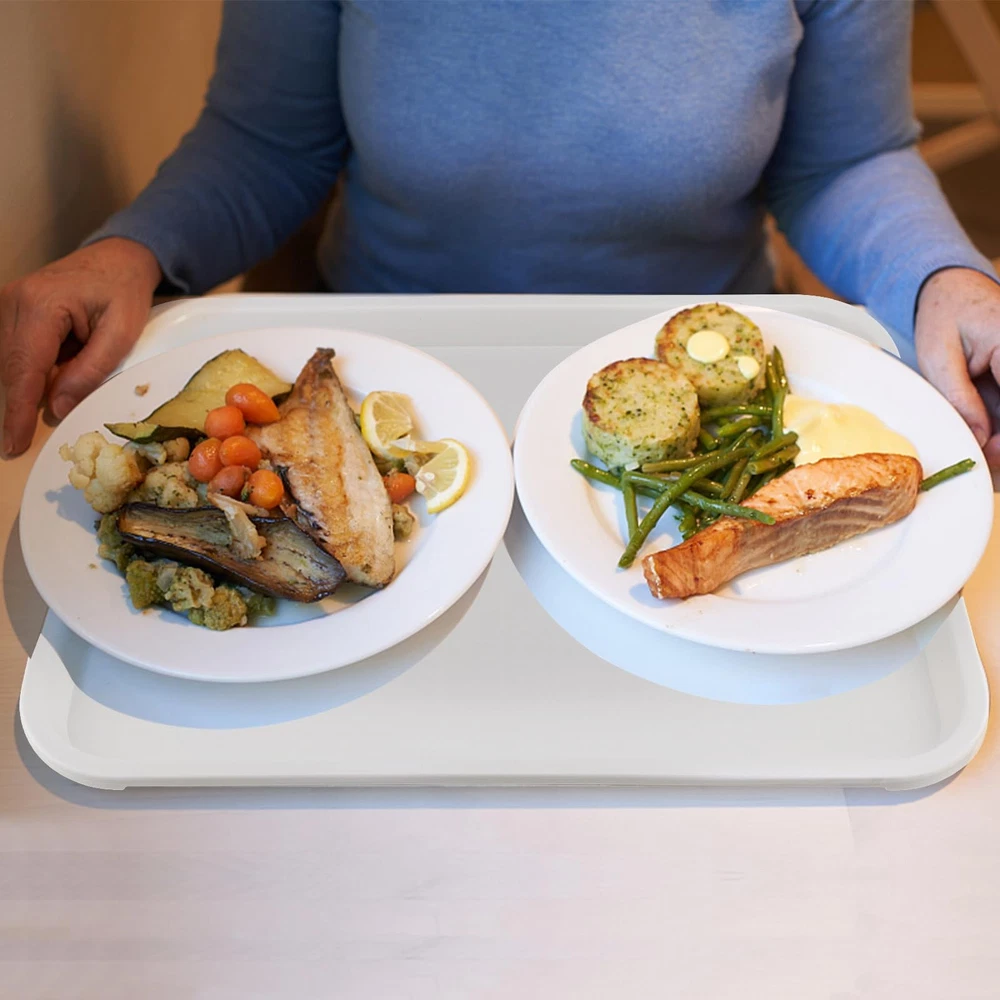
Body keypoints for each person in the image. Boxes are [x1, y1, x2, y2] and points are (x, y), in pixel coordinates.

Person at [2, 0, 999, 464]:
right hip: (390, 402)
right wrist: (134, 248)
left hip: (709, 415)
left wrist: (940, 278)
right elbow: (270, 141)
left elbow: (841, 158)